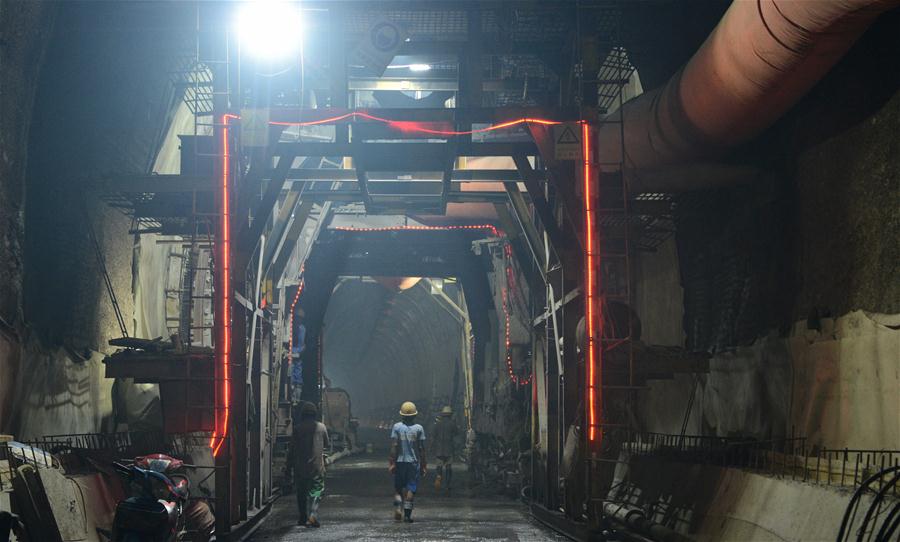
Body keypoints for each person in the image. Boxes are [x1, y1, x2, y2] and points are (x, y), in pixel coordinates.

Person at [288, 401, 330, 528]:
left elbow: (292, 450)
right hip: (317, 467)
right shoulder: (322, 427)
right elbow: (327, 444)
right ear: (315, 414)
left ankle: (302, 517)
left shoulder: (297, 429)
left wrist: (287, 468)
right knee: (317, 492)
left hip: (300, 468)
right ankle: (313, 515)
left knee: (301, 493)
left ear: (302, 415)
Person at [389, 401, 427, 523]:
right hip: (413, 463)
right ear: (415, 415)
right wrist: (423, 465)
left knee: (398, 488)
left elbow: (394, 446)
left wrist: (392, 463)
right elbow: (421, 448)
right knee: (411, 489)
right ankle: (407, 515)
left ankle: (398, 508)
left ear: (402, 415)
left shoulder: (396, 427)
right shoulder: (419, 428)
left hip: (400, 462)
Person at [431, 406, 459, 491]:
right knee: (448, 467)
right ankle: (447, 485)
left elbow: (433, 437)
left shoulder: (437, 424)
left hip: (439, 449)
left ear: (442, 415)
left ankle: (439, 476)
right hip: (449, 449)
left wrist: (431, 447)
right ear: (450, 415)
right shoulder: (452, 424)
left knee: (439, 466)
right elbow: (456, 434)